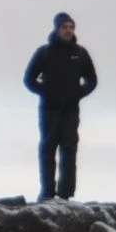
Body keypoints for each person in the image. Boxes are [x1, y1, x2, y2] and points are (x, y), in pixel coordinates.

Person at [22, 12, 97, 201]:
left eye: (71, 27)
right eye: (64, 27)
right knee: (48, 149)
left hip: (71, 110)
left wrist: (79, 93)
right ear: (57, 29)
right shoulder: (45, 52)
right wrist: (46, 91)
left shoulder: (80, 53)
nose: (68, 31)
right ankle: (47, 192)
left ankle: (66, 194)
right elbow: (29, 80)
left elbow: (92, 80)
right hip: (49, 110)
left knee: (69, 150)